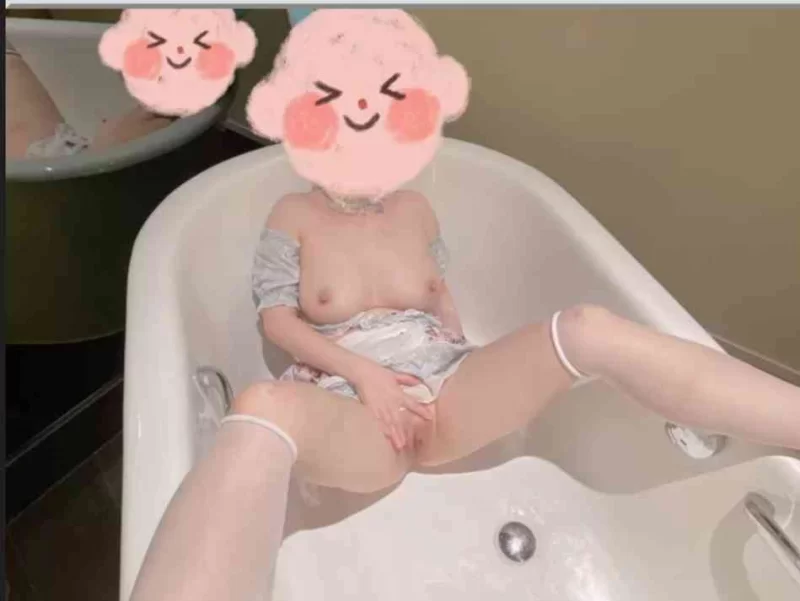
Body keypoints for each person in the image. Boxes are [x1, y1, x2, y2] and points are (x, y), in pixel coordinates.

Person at [127, 9, 800, 600]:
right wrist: (366, 378)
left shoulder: (416, 208)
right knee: (260, 408)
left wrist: (479, 373)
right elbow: (276, 321)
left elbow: (441, 300)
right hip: (353, 403)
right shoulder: (292, 214)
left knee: (587, 327)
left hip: (447, 385)